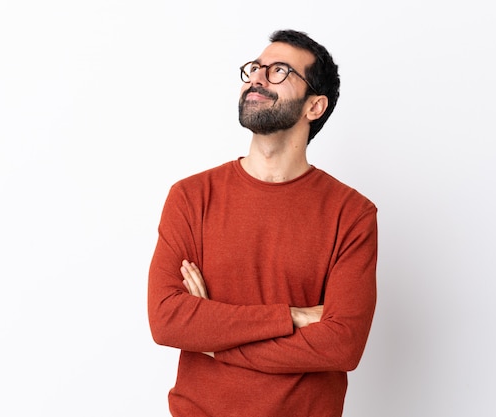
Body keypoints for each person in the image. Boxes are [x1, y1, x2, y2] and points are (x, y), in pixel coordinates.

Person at [148, 29, 378, 417]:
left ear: (314, 107)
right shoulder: (191, 197)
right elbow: (167, 319)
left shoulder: (352, 214)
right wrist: (293, 316)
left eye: (279, 71)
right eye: (256, 68)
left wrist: (215, 339)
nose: (257, 77)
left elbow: (342, 345)